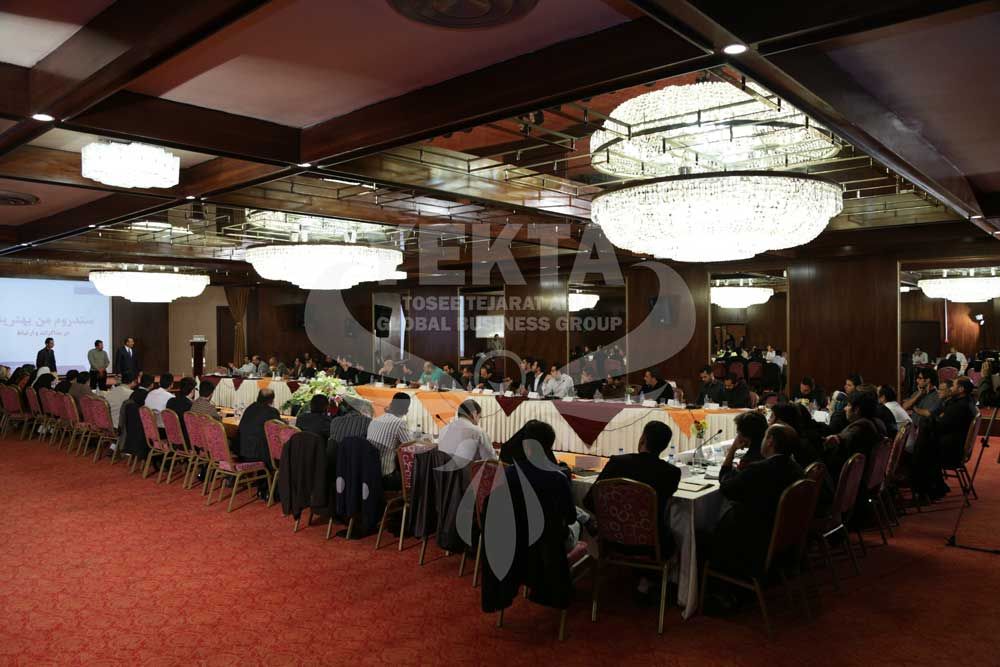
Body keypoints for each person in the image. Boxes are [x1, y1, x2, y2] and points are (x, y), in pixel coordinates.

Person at [707, 424, 804, 580]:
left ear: (770, 441)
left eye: (765, 437)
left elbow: (725, 487)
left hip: (753, 539)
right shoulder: (797, 468)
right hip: (782, 537)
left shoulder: (759, 470)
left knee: (702, 532)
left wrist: (732, 451)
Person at [584, 421, 681, 554]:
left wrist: (614, 521)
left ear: (642, 439)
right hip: (652, 543)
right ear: (665, 446)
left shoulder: (617, 463)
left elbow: (589, 501)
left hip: (612, 537)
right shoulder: (672, 473)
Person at [826, 390, 884, 481]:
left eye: (848, 405)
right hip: (869, 476)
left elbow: (845, 438)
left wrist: (835, 439)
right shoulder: (878, 422)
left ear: (856, 410)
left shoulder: (861, 428)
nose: (845, 408)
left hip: (854, 480)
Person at [366, 392, 413, 490]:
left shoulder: (374, 420)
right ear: (406, 410)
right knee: (418, 476)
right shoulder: (399, 423)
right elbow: (411, 448)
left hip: (368, 473)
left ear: (391, 404)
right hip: (386, 477)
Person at [236, 389, 281, 489]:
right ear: (271, 400)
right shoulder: (271, 412)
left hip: (242, 451)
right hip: (259, 455)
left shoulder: (249, 408)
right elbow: (280, 430)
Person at [436, 399, 496, 463]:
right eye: (479, 417)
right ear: (474, 414)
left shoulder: (443, 430)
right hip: (468, 469)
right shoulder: (478, 432)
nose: (478, 422)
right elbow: (491, 460)